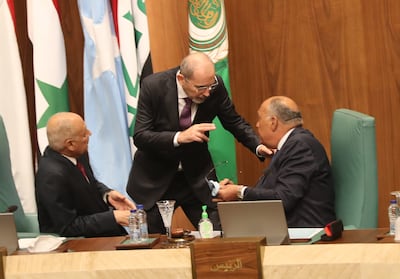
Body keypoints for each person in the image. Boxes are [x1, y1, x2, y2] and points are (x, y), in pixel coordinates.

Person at [126, 52, 272, 233]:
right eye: (201, 87)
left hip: (196, 178)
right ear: (181, 79)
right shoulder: (154, 86)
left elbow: (233, 121)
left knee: (219, 235)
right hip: (156, 181)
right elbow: (140, 135)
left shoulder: (215, 86)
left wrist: (257, 146)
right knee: (155, 244)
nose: (208, 92)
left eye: (210, 85)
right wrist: (179, 137)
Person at [217, 96, 336, 227]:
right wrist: (233, 192)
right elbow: (272, 191)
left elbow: (282, 199)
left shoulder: (300, 146)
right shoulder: (292, 144)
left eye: (259, 118)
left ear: (273, 122)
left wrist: (240, 192)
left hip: (304, 235)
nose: (257, 124)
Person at [35, 112, 135, 237]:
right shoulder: (51, 176)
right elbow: (68, 227)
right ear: (70, 144)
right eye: (84, 134)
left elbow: (90, 183)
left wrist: (107, 194)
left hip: (103, 236)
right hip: (77, 247)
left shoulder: (76, 154)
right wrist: (113, 217)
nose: (89, 134)